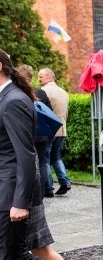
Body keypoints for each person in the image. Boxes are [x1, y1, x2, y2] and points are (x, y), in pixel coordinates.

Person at [0, 49, 94, 260]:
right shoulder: (8, 97)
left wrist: (20, 202)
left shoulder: (12, 100)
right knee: (16, 257)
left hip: (9, 195)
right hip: (5, 191)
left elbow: (26, 156)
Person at [18, 65, 53, 198]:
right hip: (42, 133)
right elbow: (50, 114)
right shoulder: (41, 93)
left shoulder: (17, 92)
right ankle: (42, 191)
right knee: (42, 163)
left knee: (25, 162)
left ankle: (28, 191)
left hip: (26, 134)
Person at [38, 68, 72, 195]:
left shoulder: (43, 92)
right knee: (56, 157)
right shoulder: (63, 92)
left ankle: (48, 188)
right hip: (62, 129)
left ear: (49, 78)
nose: (38, 79)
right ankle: (65, 181)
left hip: (49, 130)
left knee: (45, 159)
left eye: (41, 76)